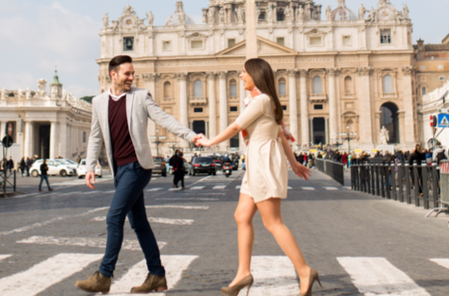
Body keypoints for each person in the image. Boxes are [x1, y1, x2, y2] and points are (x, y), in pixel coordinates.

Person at [75, 55, 205, 294]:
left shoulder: (140, 96)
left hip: (137, 167)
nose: (131, 78)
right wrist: (90, 166)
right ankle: (156, 274)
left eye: (132, 73)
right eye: (127, 74)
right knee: (139, 223)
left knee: (114, 218)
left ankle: (104, 275)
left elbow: (164, 119)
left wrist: (190, 135)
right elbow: (96, 135)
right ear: (113, 74)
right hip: (119, 169)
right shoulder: (98, 102)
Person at [197, 58, 319, 296]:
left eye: (243, 72)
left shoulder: (261, 100)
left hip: (263, 160)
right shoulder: (264, 101)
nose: (240, 76)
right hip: (257, 159)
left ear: (255, 74)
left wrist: (210, 142)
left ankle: (305, 271)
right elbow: (281, 134)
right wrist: (293, 163)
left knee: (272, 221)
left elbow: (235, 126)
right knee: (242, 216)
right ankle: (243, 273)